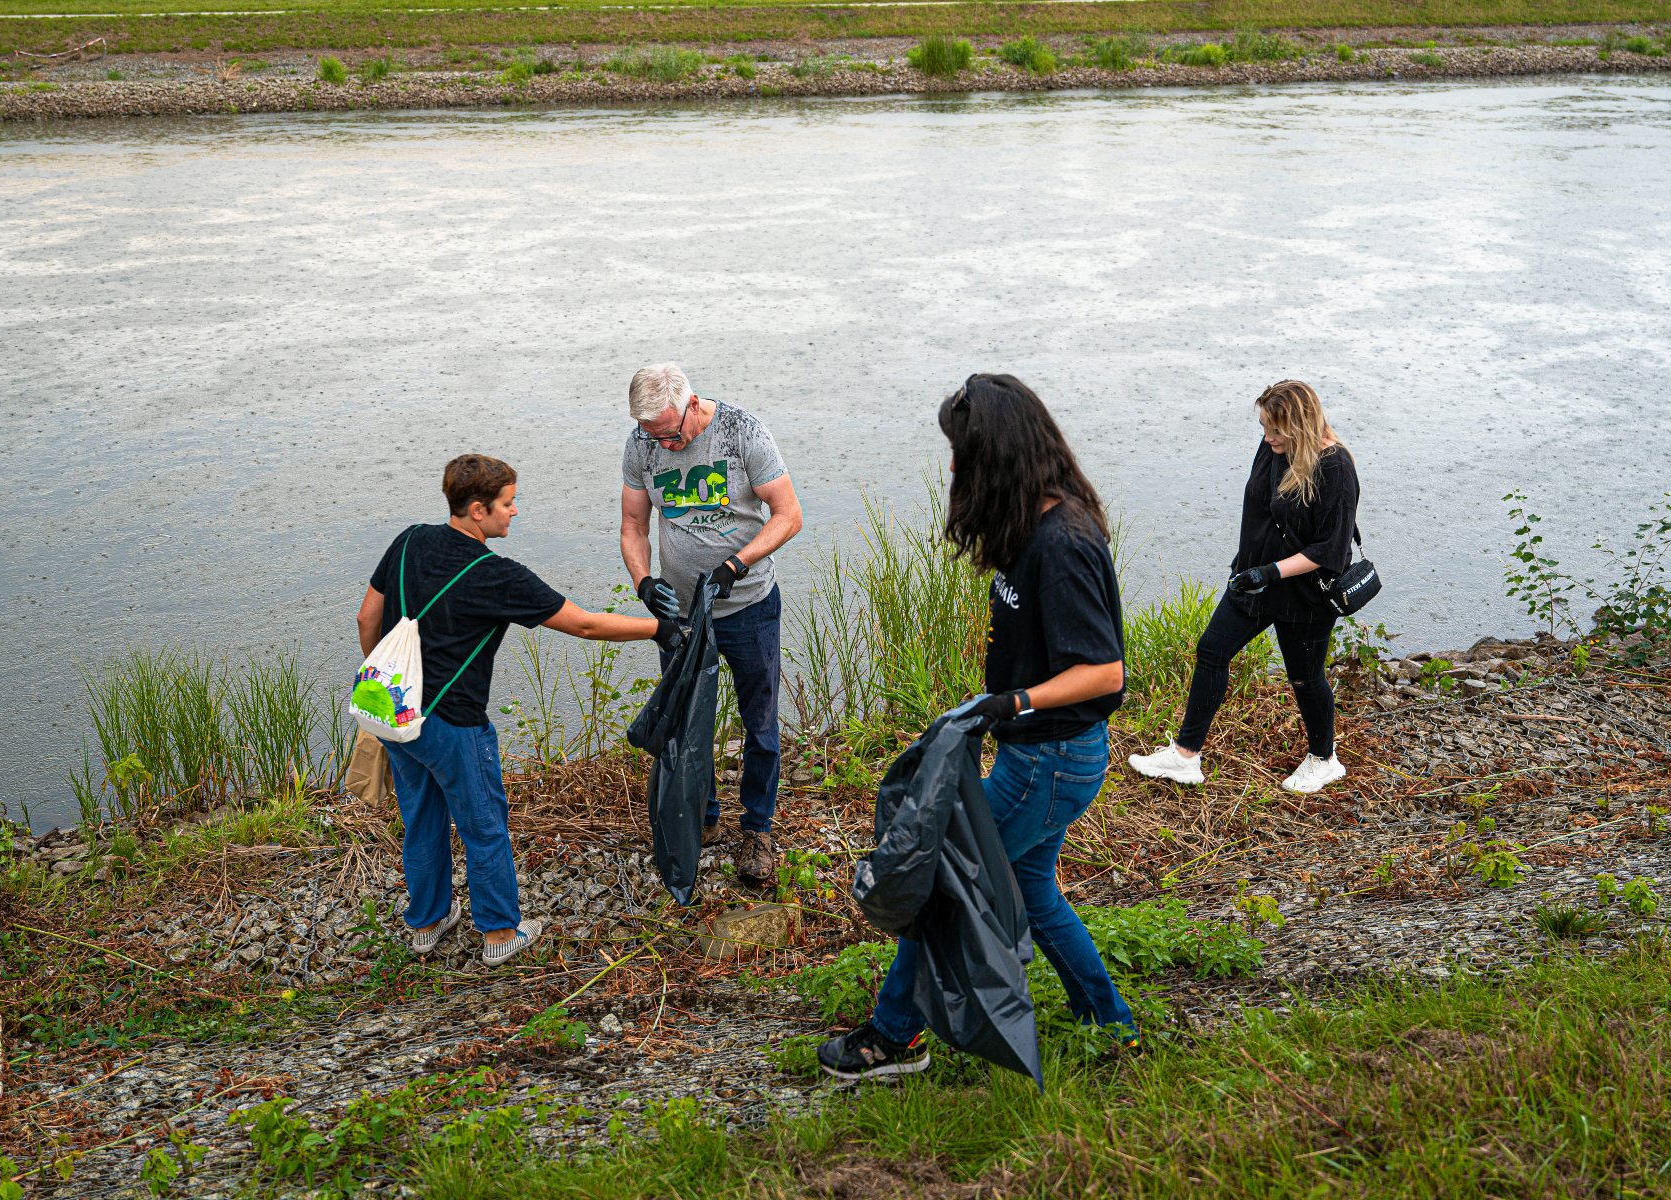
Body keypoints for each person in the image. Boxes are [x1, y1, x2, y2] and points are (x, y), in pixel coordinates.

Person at [817, 373, 1137, 1081]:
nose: (955, 467)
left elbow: (1104, 672)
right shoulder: (1036, 525)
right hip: (1045, 760)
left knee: (941, 888)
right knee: (1029, 892)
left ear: (1000, 454)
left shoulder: (1062, 543)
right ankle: (1111, 1026)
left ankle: (892, 1038)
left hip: (1048, 763)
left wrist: (1011, 704)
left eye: (962, 452)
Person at [358, 454, 683, 963]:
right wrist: (660, 629)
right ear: (476, 510)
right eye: (508, 504)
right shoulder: (495, 576)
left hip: (396, 711)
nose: (515, 513)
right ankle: (498, 935)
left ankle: (426, 923)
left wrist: (395, 683)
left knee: (420, 817)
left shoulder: (409, 541)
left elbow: (366, 618)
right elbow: (585, 625)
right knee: (483, 823)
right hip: (454, 722)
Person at [1129, 379, 1361, 795]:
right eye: (1264, 427)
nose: (1268, 437)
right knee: (1211, 651)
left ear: (1302, 425)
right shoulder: (1273, 448)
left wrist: (1269, 572)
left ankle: (1324, 760)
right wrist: (1248, 565)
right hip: (1253, 581)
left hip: (1304, 594)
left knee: (1305, 678)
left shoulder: (1336, 467)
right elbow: (1257, 508)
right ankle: (1185, 757)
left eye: (1276, 429)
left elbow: (1329, 549)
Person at [619, 363, 803, 886]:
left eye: (671, 435)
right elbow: (633, 526)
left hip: (748, 604)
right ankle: (705, 817)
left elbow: (788, 515)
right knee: (684, 720)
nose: (664, 447)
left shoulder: (743, 432)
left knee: (759, 722)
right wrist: (643, 582)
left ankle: (757, 830)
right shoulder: (642, 444)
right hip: (680, 613)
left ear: (693, 404)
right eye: (653, 436)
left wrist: (735, 565)